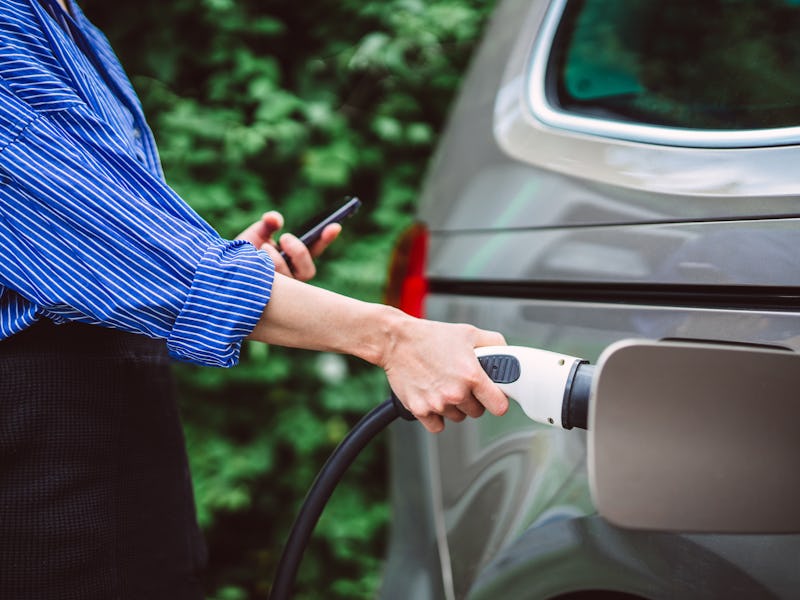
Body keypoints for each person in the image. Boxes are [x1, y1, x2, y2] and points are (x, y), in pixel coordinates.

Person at [0, 0, 508, 598]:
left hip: (112, 449)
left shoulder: (65, 20)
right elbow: (113, 242)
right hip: (45, 473)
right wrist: (396, 337)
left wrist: (234, 272)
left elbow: (96, 256)